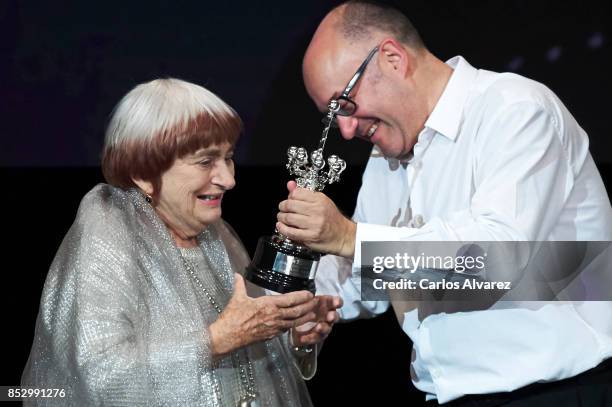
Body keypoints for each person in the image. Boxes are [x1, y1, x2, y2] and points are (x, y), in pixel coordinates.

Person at [276, 1, 612, 405]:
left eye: (342, 105)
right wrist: (313, 303)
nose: (345, 130)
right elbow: (374, 278)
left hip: (557, 391)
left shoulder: (515, 110)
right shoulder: (388, 159)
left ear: (392, 58)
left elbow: (496, 258)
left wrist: (349, 237)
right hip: (451, 395)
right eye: (331, 116)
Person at [22, 78, 341, 406]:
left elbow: (241, 362)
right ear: (144, 173)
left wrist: (296, 339)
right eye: (205, 162)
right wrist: (215, 341)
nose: (229, 180)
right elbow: (104, 378)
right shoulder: (107, 236)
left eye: (228, 157)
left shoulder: (219, 236)